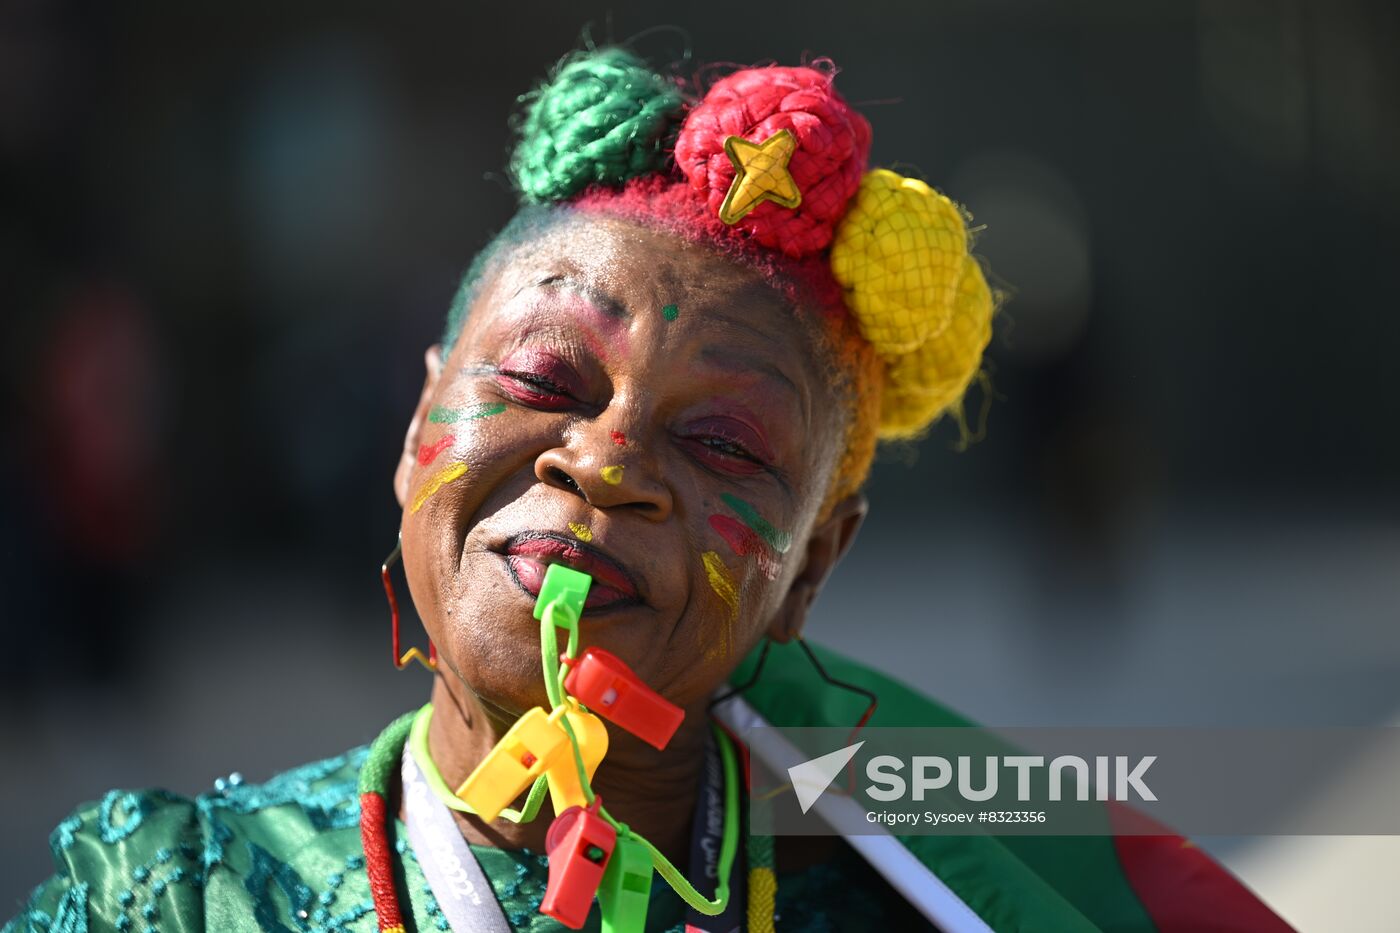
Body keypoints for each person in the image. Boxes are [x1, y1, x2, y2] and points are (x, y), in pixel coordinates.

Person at [4, 46, 1291, 933]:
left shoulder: (910, 896)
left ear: (811, 569)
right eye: (544, 378)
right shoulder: (164, 890)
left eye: (723, 446)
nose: (606, 460)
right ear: (416, 424)